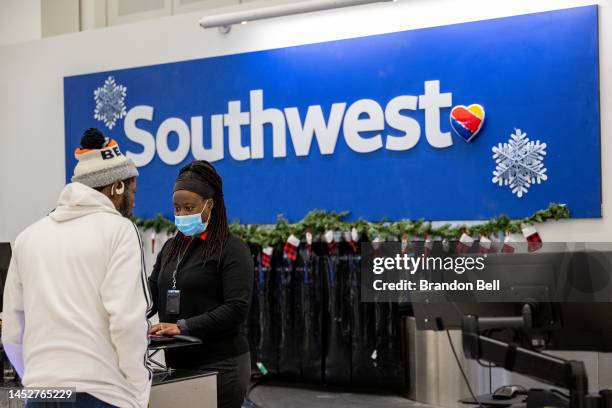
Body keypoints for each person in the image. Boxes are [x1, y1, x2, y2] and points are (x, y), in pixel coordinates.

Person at [2, 128, 152, 408]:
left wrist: (37, 380)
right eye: (132, 191)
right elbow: (127, 321)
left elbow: (12, 330)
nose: (134, 201)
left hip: (39, 393)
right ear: (115, 187)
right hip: (102, 393)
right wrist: (138, 387)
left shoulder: (28, 237)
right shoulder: (120, 231)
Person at [148, 160, 253, 408]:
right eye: (177, 208)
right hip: (177, 362)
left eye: (189, 208)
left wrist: (182, 326)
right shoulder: (170, 248)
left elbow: (236, 309)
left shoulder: (232, 249)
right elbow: (151, 294)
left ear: (210, 205)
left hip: (220, 365)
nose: (182, 215)